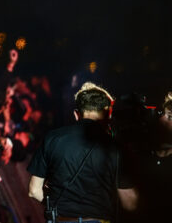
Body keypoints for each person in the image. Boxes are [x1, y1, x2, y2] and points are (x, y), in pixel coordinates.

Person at [27, 82, 138, 222]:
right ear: (108, 116)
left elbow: (34, 191)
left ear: (76, 114)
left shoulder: (53, 138)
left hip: (62, 219)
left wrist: (58, 206)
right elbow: (130, 203)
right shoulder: (116, 149)